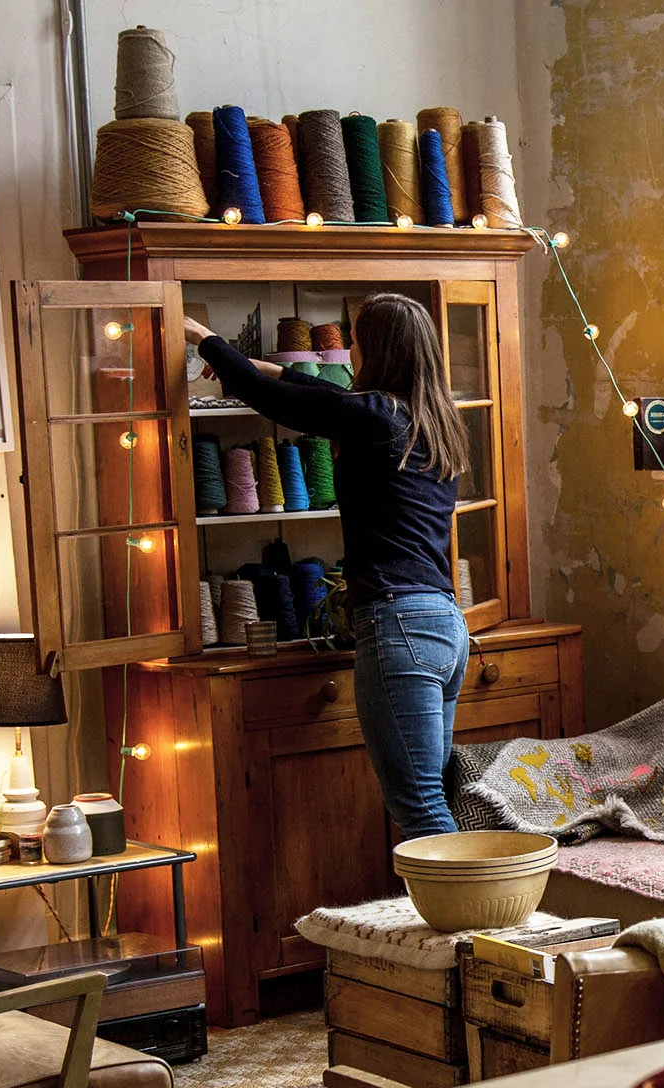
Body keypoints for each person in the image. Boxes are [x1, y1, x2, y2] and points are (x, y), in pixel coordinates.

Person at [186, 296, 469, 837]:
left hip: (399, 624)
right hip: (445, 626)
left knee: (419, 806)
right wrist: (263, 363)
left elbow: (274, 398)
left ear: (378, 349)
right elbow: (321, 392)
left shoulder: (371, 418)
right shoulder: (429, 422)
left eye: (357, 339)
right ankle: (469, 916)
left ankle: (474, 920)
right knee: (431, 792)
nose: (352, 347)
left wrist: (204, 337)